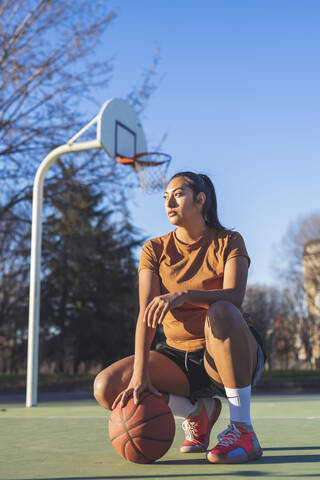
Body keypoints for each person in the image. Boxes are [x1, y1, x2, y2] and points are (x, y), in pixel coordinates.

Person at [94, 171, 265, 464]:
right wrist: (140, 373)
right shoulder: (154, 249)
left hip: (226, 355)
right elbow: (146, 313)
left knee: (222, 310)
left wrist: (183, 294)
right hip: (177, 358)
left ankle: (243, 429)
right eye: (165, 197)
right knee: (107, 387)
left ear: (200, 200)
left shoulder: (229, 241)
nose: (168, 202)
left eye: (178, 194)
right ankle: (197, 413)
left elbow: (234, 296)